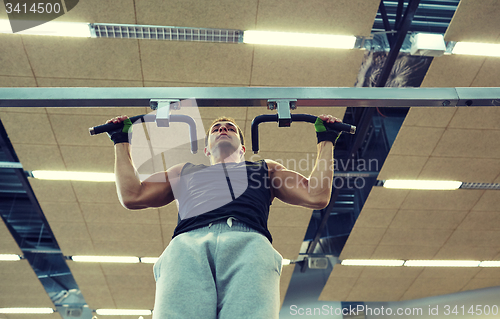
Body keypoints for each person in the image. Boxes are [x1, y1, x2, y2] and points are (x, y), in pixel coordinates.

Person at [106, 113, 342, 319]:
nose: (223, 129)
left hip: (249, 246)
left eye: (230, 128)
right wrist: (120, 141)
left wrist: (326, 140)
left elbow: (316, 195)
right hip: (187, 247)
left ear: (242, 149)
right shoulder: (183, 172)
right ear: (207, 149)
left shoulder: (264, 169)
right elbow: (133, 195)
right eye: (217, 129)